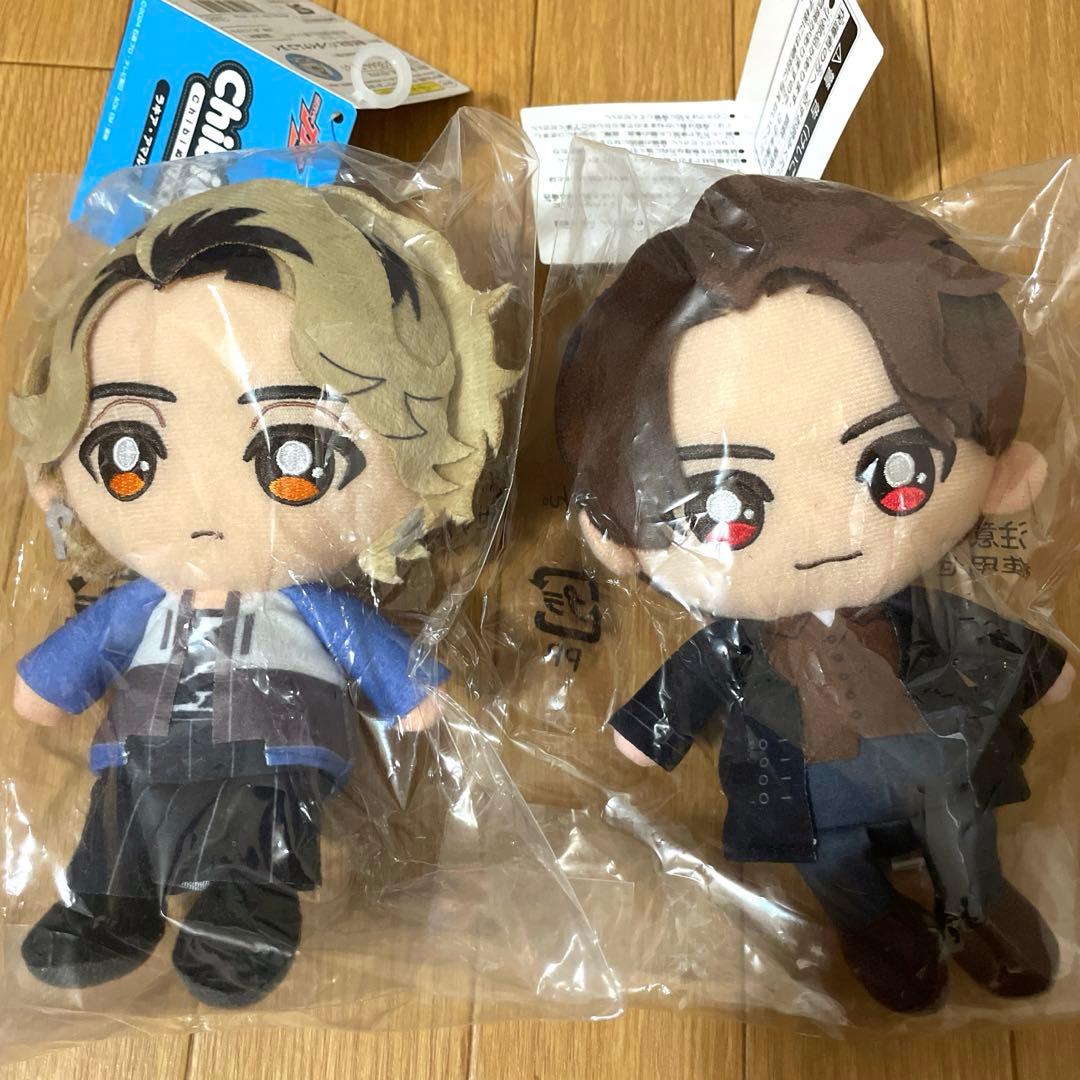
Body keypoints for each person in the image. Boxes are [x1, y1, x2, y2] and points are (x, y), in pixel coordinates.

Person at [555, 174, 1074, 1013]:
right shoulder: (739, 637)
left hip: (934, 765)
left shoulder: (914, 606)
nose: (830, 529)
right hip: (808, 793)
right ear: (619, 534)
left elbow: (981, 634)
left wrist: (1039, 666)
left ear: (999, 472)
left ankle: (975, 901)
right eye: (729, 507)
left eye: (895, 469)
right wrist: (651, 728)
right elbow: (692, 680)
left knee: (963, 823)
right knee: (833, 863)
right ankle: (871, 923)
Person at [9, 178, 516, 1006]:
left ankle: (244, 915)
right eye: (127, 453)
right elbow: (69, 665)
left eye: (296, 454)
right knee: (121, 819)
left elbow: (367, 647)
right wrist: (47, 683)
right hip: (143, 747)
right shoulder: (142, 601)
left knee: (257, 824)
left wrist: (409, 691)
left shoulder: (308, 600)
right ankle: (109, 908)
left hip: (272, 748)